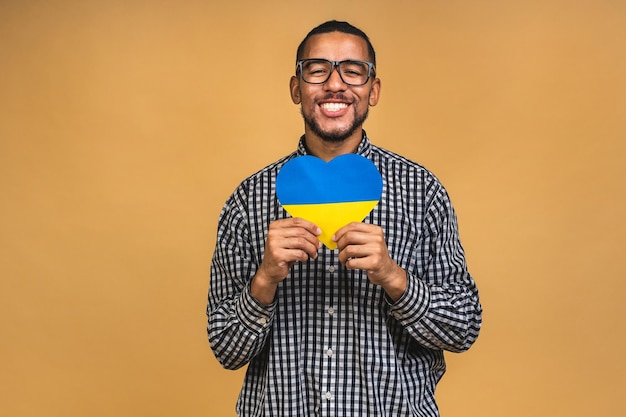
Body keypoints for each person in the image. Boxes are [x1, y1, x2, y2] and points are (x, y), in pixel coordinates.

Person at [207, 20, 482, 416]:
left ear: (374, 90)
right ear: (295, 87)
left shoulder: (421, 192)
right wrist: (264, 279)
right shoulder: (248, 200)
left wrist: (393, 276)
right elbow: (226, 350)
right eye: (317, 69)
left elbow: (463, 327)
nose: (335, 84)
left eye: (353, 71)